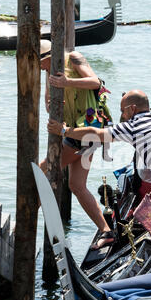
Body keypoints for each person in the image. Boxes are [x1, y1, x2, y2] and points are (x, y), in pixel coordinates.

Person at [47, 90, 151, 246]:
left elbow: (97, 133)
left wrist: (64, 130)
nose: (122, 116)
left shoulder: (134, 125)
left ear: (132, 109)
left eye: (122, 111)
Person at [40, 40, 114, 248]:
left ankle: (23, 225)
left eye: (39, 63)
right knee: (76, 185)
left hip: (88, 128)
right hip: (76, 131)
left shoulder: (73, 58)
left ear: (47, 57)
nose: (38, 68)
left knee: (43, 170)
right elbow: (48, 104)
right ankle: (106, 231)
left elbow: (96, 82)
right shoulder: (49, 72)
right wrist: (51, 102)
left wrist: (67, 84)